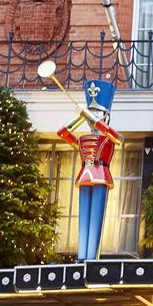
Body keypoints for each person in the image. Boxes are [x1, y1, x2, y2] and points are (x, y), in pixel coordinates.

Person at [56, 80, 124, 261]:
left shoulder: (109, 137)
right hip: (85, 175)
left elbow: (119, 139)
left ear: (105, 115)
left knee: (95, 218)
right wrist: (79, 117)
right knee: (84, 217)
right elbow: (62, 133)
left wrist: (95, 119)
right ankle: (82, 256)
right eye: (90, 113)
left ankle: (92, 257)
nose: (92, 118)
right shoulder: (83, 138)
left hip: (101, 174)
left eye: (97, 113)